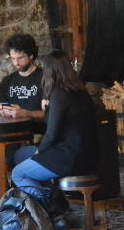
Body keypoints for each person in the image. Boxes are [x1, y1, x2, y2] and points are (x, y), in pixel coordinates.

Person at [10, 49, 98, 199]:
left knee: (17, 173)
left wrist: (40, 151)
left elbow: (51, 133)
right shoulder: (81, 90)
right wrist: (47, 108)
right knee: (19, 154)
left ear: (50, 70)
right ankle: (52, 193)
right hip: (87, 153)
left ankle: (52, 206)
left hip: (68, 156)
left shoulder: (59, 94)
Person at [0, 33, 46, 193]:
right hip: (11, 136)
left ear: (31, 55)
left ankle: (31, 195)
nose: (16, 63)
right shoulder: (8, 81)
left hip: (37, 135)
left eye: (20, 58)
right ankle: (6, 197)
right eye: (12, 59)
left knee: (20, 161)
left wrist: (25, 113)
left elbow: (51, 115)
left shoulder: (45, 78)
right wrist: (1, 112)